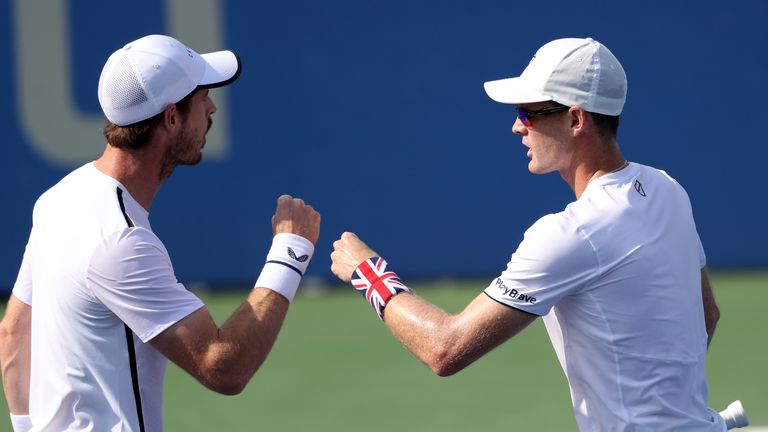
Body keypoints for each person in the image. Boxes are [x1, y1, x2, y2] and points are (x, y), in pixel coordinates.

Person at [330, 37, 724, 430]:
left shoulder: (570, 233)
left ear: (575, 119)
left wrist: (368, 272)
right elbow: (706, 316)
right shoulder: (667, 189)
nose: (518, 125)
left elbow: (444, 349)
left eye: (530, 112)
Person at [0, 34, 321, 431]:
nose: (212, 108)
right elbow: (223, 366)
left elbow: (13, 330)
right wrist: (290, 251)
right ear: (171, 118)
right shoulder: (120, 243)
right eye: (202, 98)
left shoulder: (56, 200)